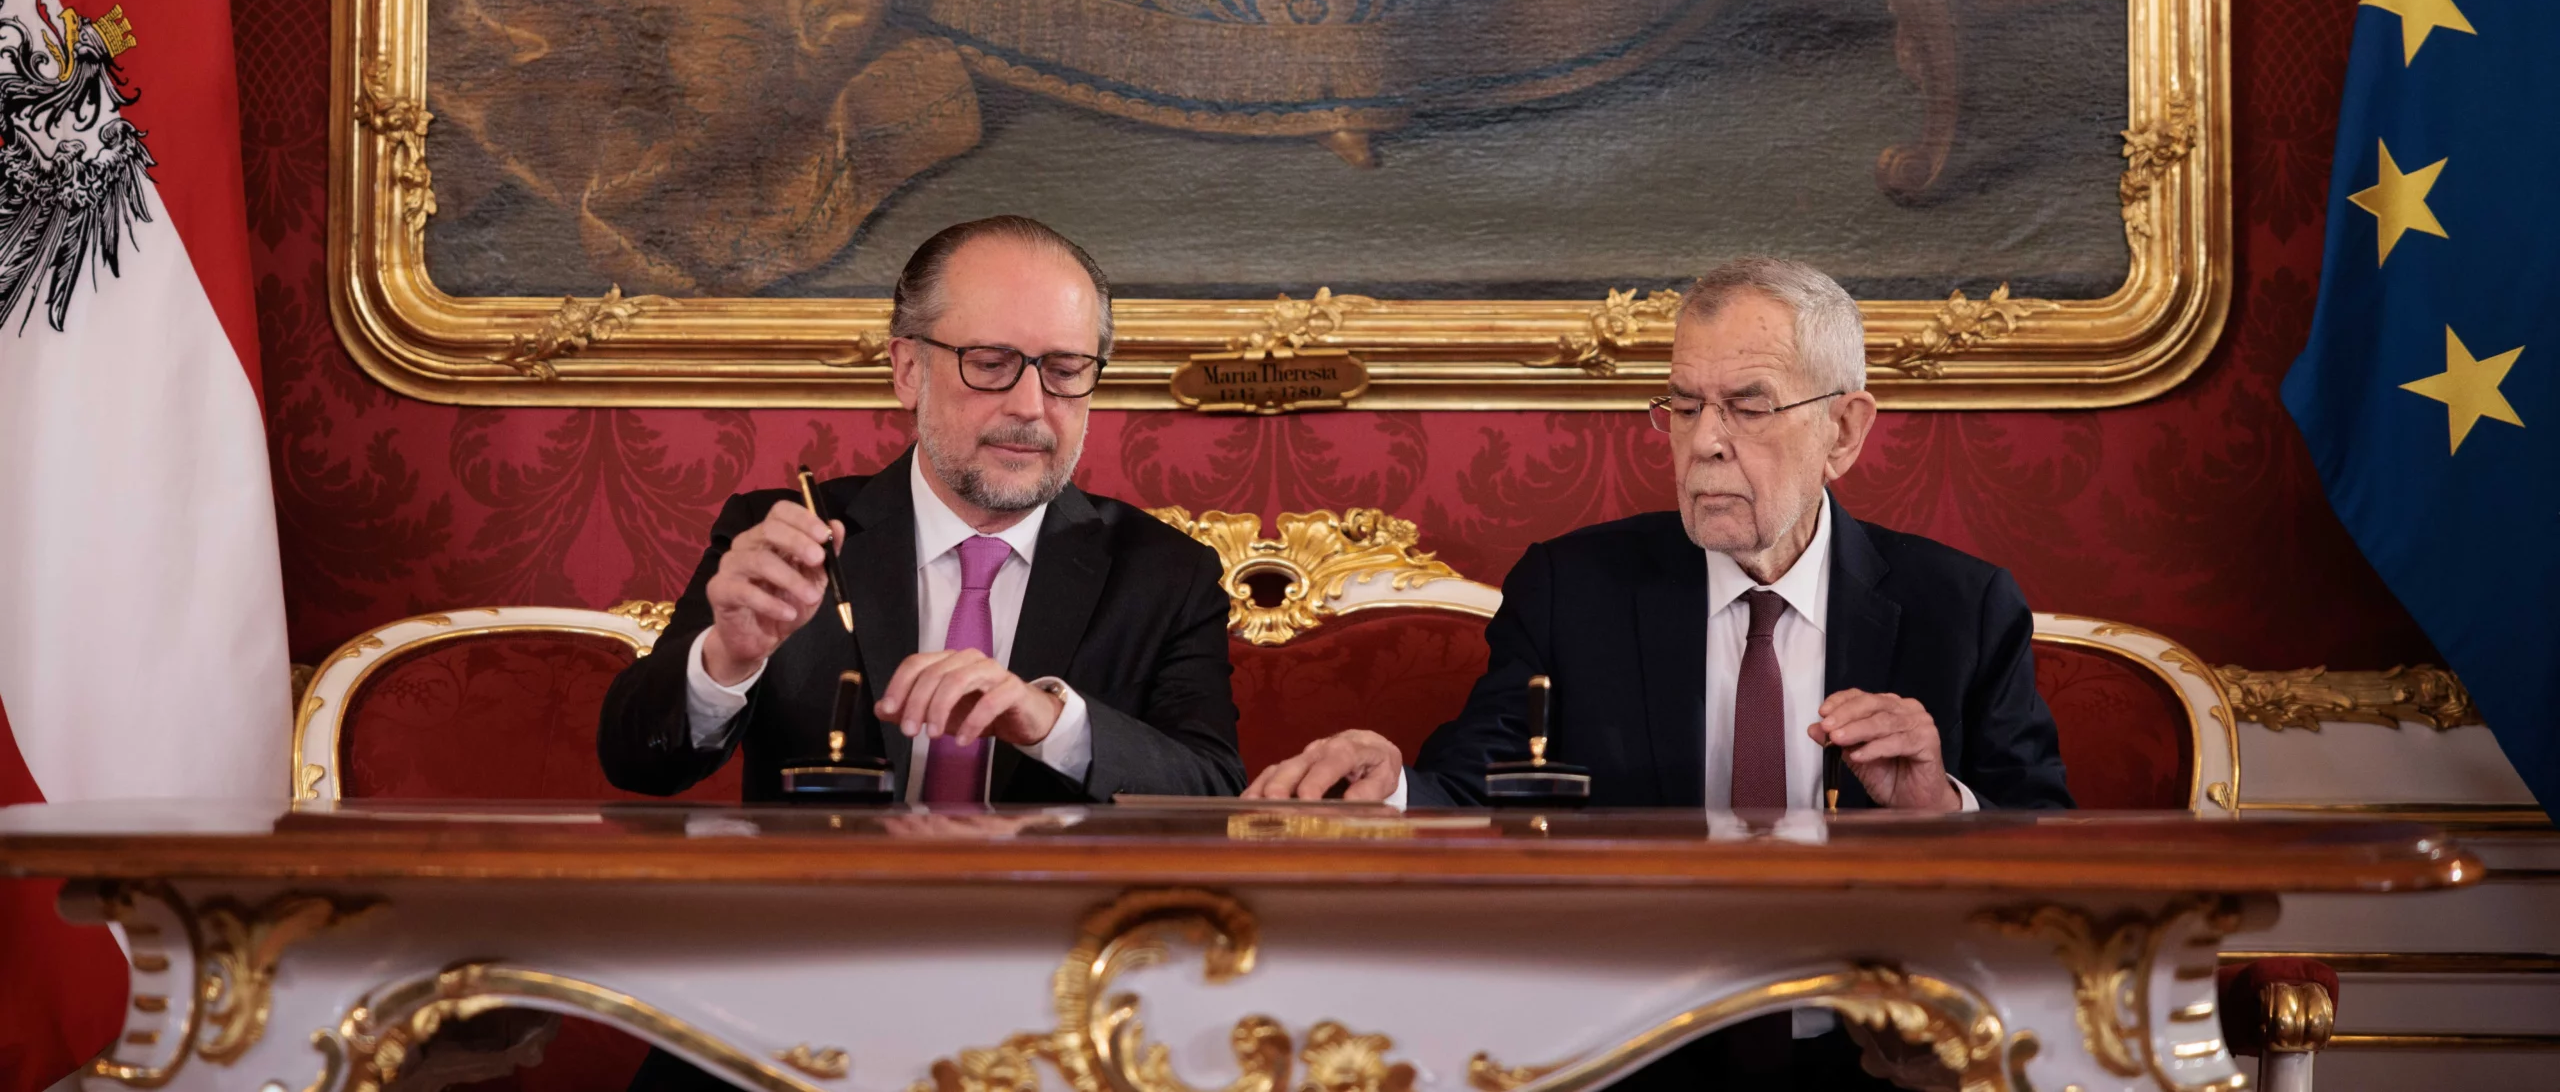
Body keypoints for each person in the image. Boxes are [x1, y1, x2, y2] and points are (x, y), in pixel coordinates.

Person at [1243, 256, 2067, 813]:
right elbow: (1477, 791)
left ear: (1844, 432)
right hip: (1638, 1039)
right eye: (1682, 405)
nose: (1705, 439)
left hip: (1880, 1029)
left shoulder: (1963, 608)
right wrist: (1389, 786)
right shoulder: (1574, 592)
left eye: (1747, 406)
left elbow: (2053, 848)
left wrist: (1942, 805)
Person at [599, 215, 1243, 806]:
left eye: (1066, 370)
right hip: (832, 921)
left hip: (1058, 929)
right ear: (908, 369)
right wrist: (725, 659)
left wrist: (1047, 719)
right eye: (990, 364)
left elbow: (1213, 793)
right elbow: (637, 763)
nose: (1029, 405)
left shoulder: (1165, 575)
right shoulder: (784, 536)